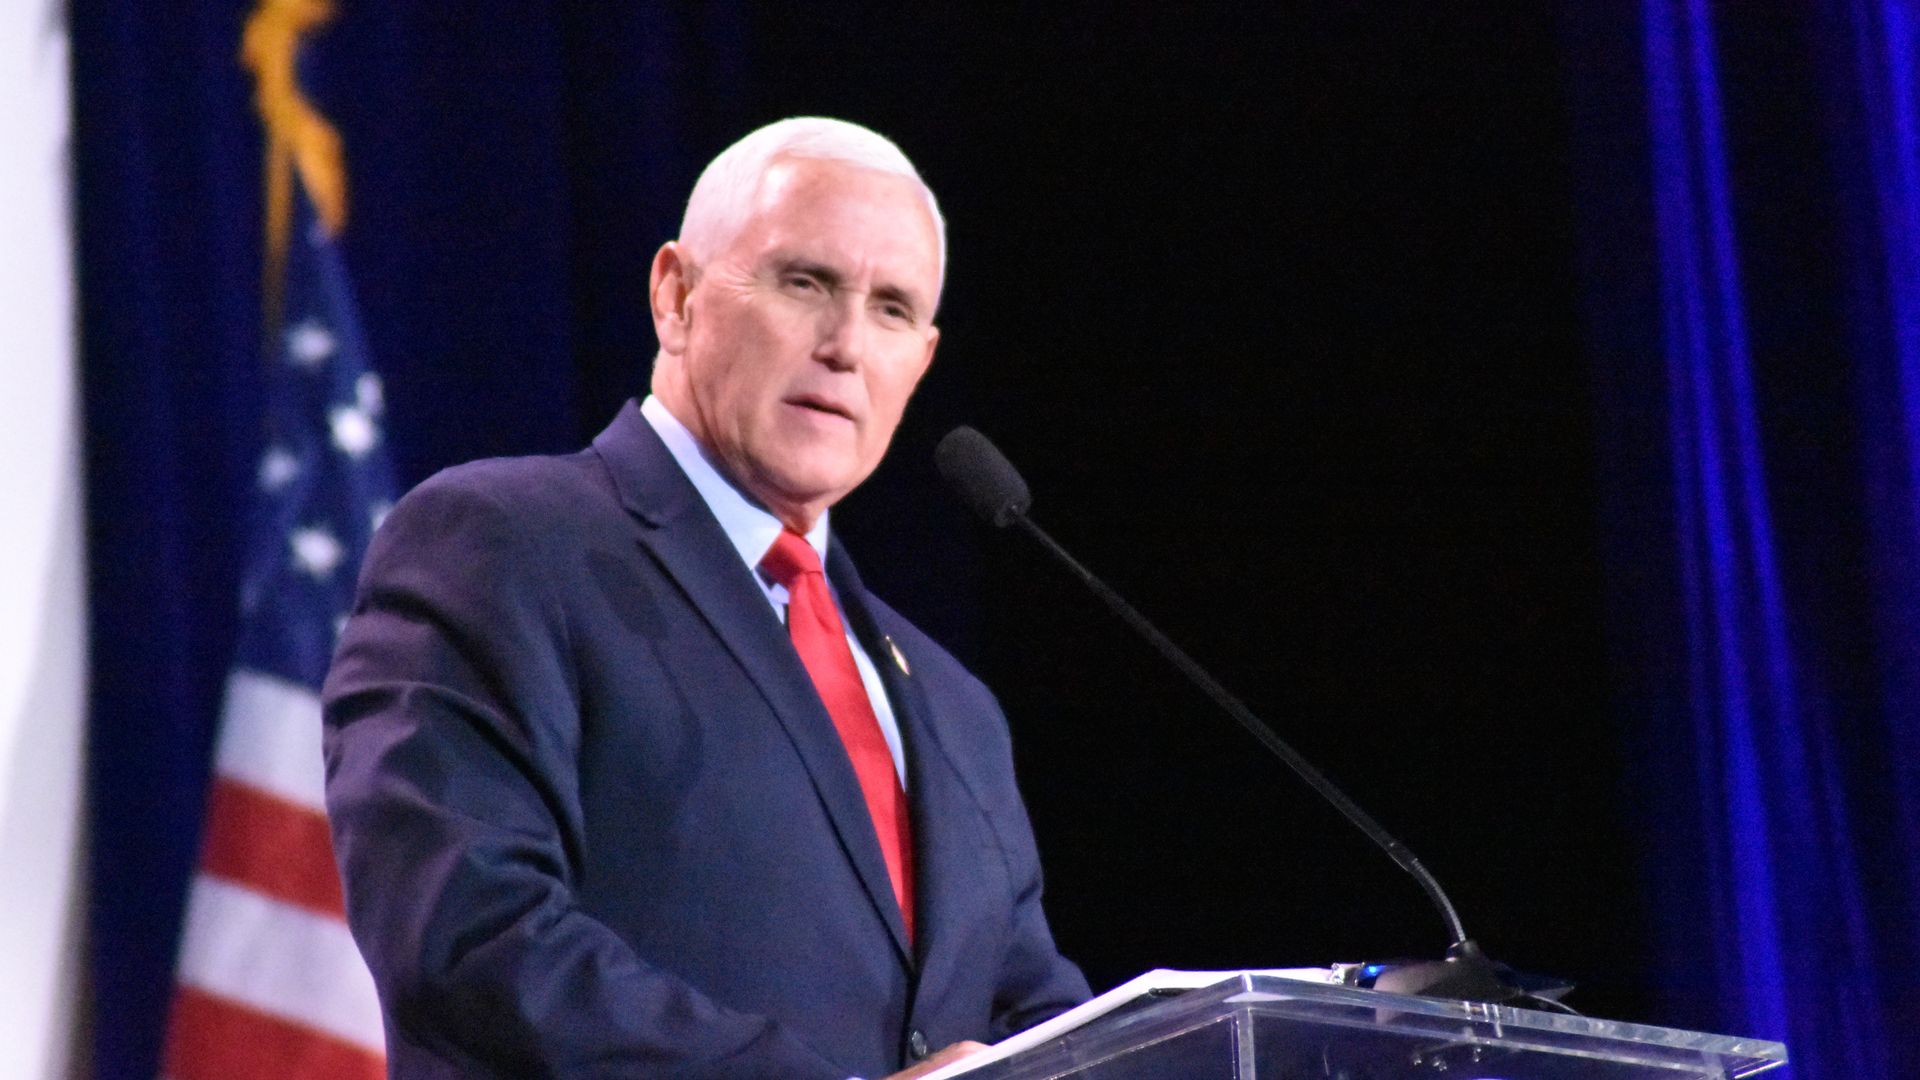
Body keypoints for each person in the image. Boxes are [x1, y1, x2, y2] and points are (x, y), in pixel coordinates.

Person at [322, 116, 1091, 1079]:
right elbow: (469, 936)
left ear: (921, 362)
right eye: (804, 282)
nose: (847, 344)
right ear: (676, 296)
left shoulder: (954, 709)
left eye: (892, 309)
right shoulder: (504, 547)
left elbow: (1034, 1019)